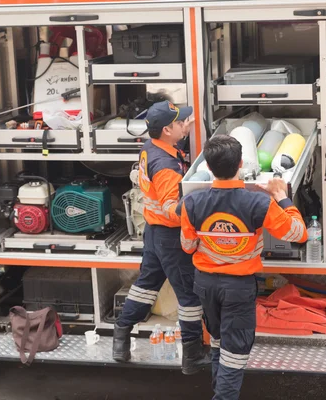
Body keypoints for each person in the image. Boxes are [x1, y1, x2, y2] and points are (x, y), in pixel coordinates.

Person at [178, 135, 308, 399]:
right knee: (235, 352)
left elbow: (187, 246)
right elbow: (299, 234)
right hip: (238, 288)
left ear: (209, 167)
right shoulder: (259, 203)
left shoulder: (192, 203)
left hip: (205, 284)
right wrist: (282, 197)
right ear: (240, 164)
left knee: (218, 343)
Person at [113, 100, 210, 375]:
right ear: (166, 129)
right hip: (170, 236)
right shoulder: (166, 166)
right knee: (189, 295)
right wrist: (201, 206)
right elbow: (171, 209)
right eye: (181, 123)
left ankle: (120, 337)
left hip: (153, 234)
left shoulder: (151, 147)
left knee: (146, 286)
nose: (185, 125)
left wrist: (183, 133)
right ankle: (192, 355)